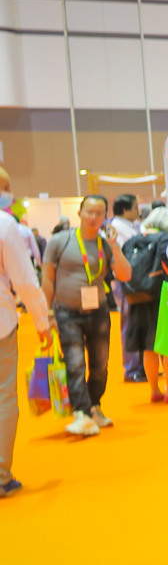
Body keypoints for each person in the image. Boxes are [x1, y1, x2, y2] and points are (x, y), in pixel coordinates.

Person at [41, 195, 132, 437]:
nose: (93, 217)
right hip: (66, 311)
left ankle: (94, 406)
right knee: (75, 362)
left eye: (99, 213)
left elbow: (125, 274)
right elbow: (47, 279)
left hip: (98, 312)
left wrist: (114, 245)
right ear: (79, 213)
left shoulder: (105, 245)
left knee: (100, 365)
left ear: (105, 217)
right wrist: (47, 313)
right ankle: (81, 412)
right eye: (89, 212)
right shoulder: (60, 241)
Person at [0, 213, 51, 497]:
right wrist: (42, 322)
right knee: (3, 396)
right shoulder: (4, 224)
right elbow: (25, 280)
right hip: (1, 324)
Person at [123, 208, 168, 404]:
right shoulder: (167, 239)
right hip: (162, 292)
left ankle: (154, 389)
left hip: (136, 294)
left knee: (148, 346)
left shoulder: (133, 241)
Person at [111, 194, 146, 382]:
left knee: (138, 323)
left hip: (136, 279)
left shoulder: (131, 226)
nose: (137, 211)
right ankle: (131, 369)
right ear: (125, 210)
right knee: (129, 325)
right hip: (125, 281)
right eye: (135, 207)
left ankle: (139, 366)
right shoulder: (116, 228)